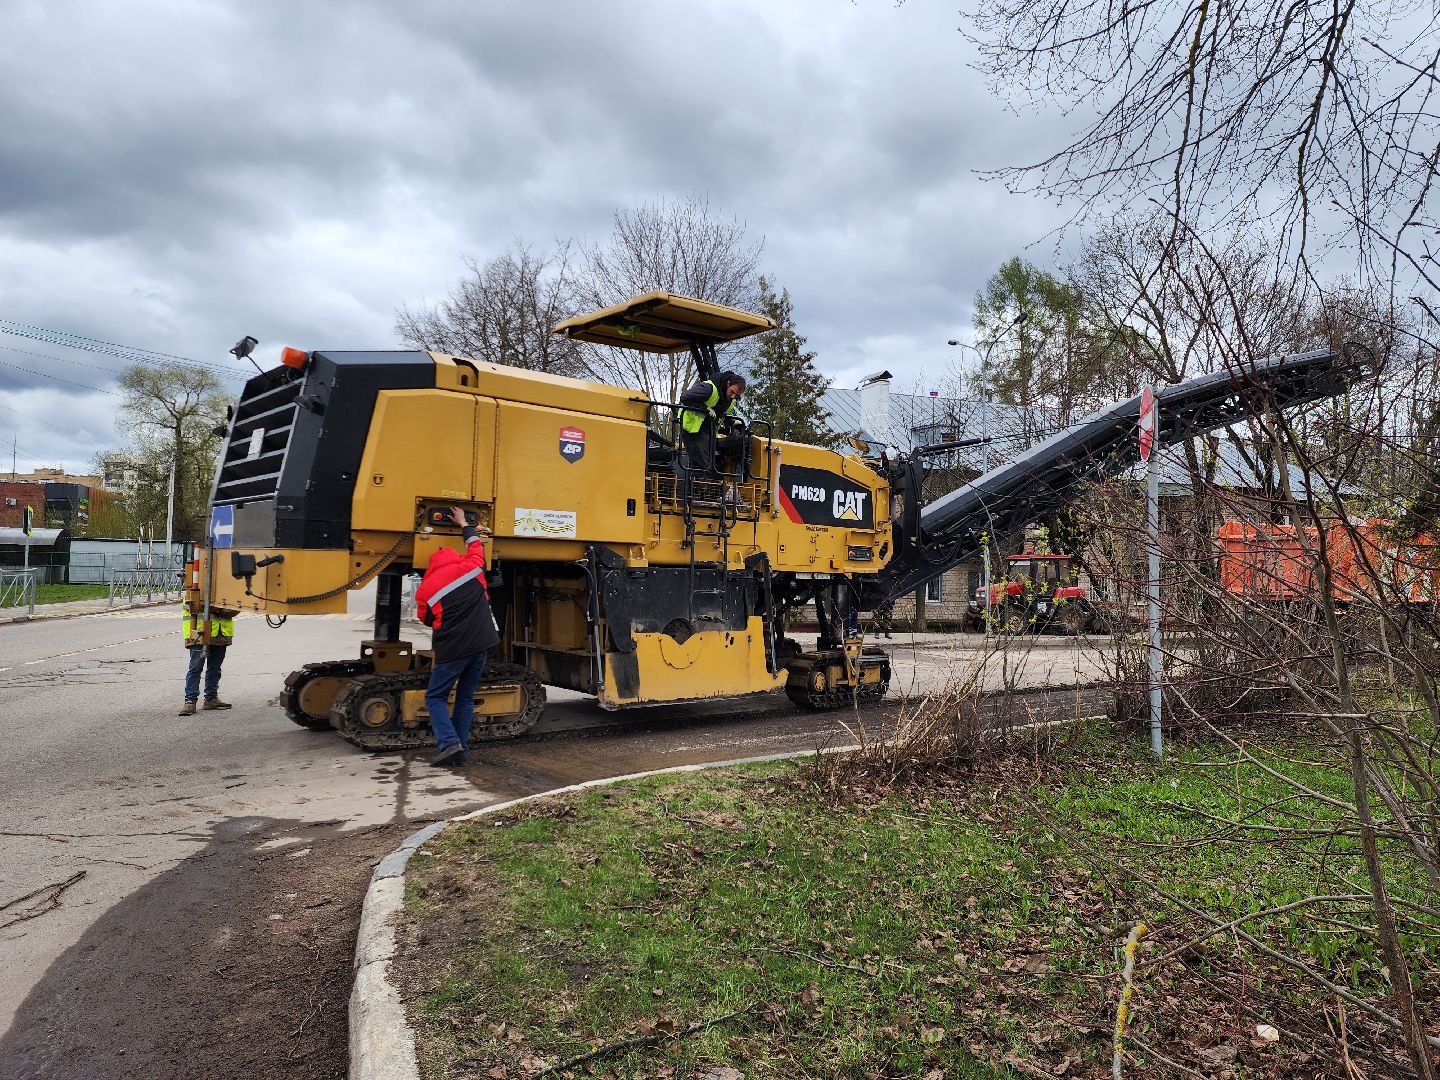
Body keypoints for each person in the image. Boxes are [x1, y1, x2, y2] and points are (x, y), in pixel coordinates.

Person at [415, 507, 499, 766]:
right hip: (482, 644)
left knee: (436, 696)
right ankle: (460, 752)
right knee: (464, 697)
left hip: (453, 648)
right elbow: (476, 545)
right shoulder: (473, 567)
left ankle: (450, 744)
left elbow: (426, 618)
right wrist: (464, 523)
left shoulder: (426, 589)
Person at [678, 370, 747, 479]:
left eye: (736, 395)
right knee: (702, 465)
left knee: (712, 464)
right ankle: (697, 491)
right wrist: (705, 409)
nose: (733, 396)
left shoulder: (729, 400)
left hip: (708, 431)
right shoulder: (708, 389)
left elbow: (721, 414)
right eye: (732, 392)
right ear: (728, 383)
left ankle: (714, 488)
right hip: (692, 429)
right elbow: (685, 397)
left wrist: (732, 423)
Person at [179, 603, 239, 715]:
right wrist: (219, 608)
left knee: (215, 668)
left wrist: (219, 609)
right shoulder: (196, 586)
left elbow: (236, 608)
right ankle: (190, 701)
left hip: (220, 633)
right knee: (195, 667)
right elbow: (194, 605)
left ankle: (211, 699)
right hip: (199, 632)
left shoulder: (229, 589)